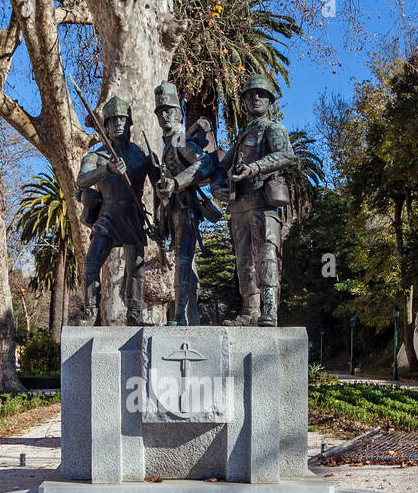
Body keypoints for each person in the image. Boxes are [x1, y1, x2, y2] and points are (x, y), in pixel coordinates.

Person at [76, 96, 158, 326]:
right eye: (112, 121)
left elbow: (159, 186)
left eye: (122, 119)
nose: (118, 124)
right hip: (108, 215)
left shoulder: (139, 154)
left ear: (129, 123)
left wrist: (158, 171)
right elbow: (81, 180)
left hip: (133, 215)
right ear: (106, 126)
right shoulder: (96, 155)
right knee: (92, 264)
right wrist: (107, 169)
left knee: (137, 268)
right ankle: (91, 313)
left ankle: (135, 314)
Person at [219, 73, 294, 326]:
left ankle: (269, 310)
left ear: (270, 99)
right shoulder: (242, 136)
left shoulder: (274, 129)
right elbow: (222, 166)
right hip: (240, 206)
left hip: (263, 203)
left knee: (266, 255)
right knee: (243, 261)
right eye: (251, 95)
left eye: (261, 94)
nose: (256, 98)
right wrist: (218, 187)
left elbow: (286, 155)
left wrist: (254, 168)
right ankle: (250, 311)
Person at [153, 81, 219, 326]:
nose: (165, 116)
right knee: (184, 262)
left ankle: (180, 316)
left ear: (178, 114)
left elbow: (205, 164)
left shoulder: (179, 140)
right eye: (161, 112)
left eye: (169, 111)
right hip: (174, 210)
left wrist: (176, 183)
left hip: (186, 210)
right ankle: (190, 316)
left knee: (182, 260)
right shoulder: (168, 145)